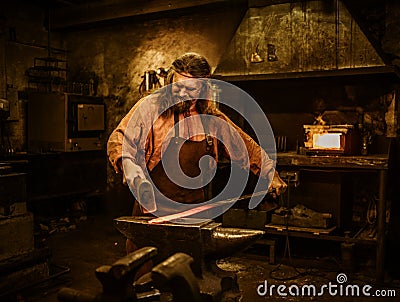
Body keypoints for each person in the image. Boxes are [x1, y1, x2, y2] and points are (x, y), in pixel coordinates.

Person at [107, 53, 287, 256]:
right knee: (146, 271)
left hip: (194, 211)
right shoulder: (151, 108)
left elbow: (244, 146)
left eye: (190, 89)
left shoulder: (210, 118)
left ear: (203, 87)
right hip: (153, 211)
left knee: (188, 272)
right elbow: (120, 139)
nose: (182, 93)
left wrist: (269, 172)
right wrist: (129, 167)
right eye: (178, 87)